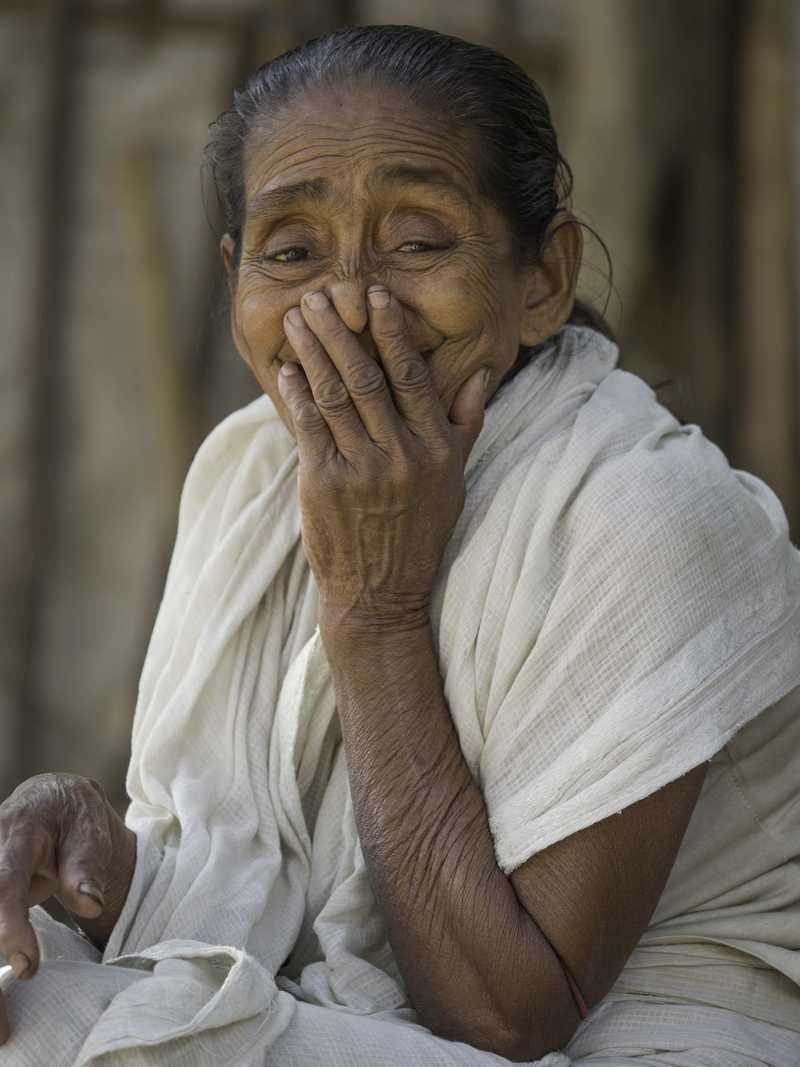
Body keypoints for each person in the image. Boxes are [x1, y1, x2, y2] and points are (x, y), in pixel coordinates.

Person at [0, 24, 798, 1067]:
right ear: (236, 282)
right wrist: (98, 857)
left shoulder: (649, 512)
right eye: (291, 253)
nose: (348, 302)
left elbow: (508, 1012)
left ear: (541, 279)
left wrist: (373, 605)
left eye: (418, 243)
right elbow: (253, 897)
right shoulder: (248, 468)